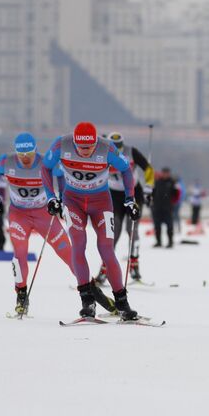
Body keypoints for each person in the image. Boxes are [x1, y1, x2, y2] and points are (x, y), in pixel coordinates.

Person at [0, 132, 115, 316]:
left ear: (35, 151)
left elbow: (60, 177)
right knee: (20, 254)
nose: (25, 159)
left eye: (29, 154)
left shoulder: (44, 162)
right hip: (19, 216)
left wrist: (61, 199)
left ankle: (94, 292)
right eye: (21, 155)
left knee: (69, 253)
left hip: (44, 216)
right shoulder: (5, 163)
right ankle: (21, 296)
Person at [42, 121, 140, 320]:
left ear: (96, 142)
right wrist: (51, 197)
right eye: (81, 147)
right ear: (75, 142)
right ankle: (87, 301)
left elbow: (126, 170)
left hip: (101, 202)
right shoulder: (61, 144)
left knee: (106, 248)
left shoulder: (107, 147)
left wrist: (130, 200)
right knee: (78, 245)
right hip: (73, 201)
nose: (85, 151)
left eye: (89, 147)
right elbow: (45, 168)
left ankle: (122, 303)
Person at [96, 131, 154, 284]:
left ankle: (134, 265)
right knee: (114, 231)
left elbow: (148, 168)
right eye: (114, 146)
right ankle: (105, 268)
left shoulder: (131, 152)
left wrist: (149, 188)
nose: (118, 149)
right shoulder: (101, 153)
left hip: (134, 192)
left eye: (120, 146)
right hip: (114, 196)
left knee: (132, 229)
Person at [152, 167, 176, 248]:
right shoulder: (157, 182)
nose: (165, 174)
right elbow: (153, 193)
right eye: (164, 173)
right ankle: (158, 242)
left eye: (167, 173)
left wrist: (173, 204)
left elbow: (176, 194)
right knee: (157, 226)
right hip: (157, 207)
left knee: (169, 226)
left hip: (168, 208)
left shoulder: (172, 182)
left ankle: (170, 241)